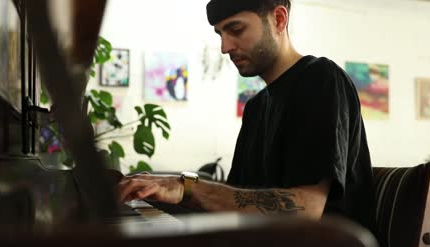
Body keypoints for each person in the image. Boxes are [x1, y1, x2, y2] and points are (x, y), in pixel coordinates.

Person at [118, 0, 376, 229]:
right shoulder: (256, 107)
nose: (225, 46)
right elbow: (237, 202)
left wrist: (187, 187)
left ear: (278, 19)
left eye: (236, 30)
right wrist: (158, 193)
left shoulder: (320, 79)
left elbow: (305, 209)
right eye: (220, 33)